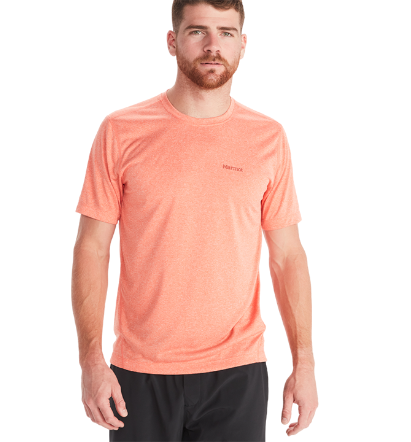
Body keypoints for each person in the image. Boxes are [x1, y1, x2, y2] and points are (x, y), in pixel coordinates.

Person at [71, 1, 319, 441]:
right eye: (197, 31)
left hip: (237, 369)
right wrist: (90, 360)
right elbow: (91, 248)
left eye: (226, 33)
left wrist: (304, 363)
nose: (212, 45)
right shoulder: (120, 129)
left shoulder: (268, 136)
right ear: (172, 41)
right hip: (139, 370)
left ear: (243, 45)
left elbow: (287, 256)